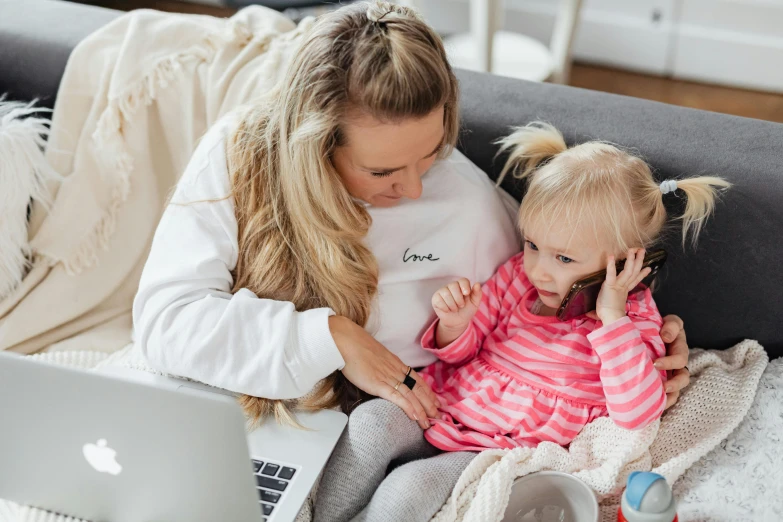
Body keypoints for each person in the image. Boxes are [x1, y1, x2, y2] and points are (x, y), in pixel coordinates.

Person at [131, 1, 691, 519]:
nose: (417, 189)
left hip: (460, 428)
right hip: (244, 408)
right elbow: (166, 323)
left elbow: (544, 312)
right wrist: (335, 336)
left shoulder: (475, 209)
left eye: (431, 153)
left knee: (401, 485)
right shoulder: (241, 159)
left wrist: (639, 340)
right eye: (382, 172)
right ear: (316, 147)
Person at [314, 123, 725, 522]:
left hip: (490, 447)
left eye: (563, 258)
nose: (539, 270)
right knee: (370, 423)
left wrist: (612, 316)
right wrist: (456, 325)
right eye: (532, 245)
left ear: (627, 261)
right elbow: (463, 354)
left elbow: (637, 413)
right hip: (443, 405)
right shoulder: (517, 278)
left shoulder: (631, 324)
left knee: (408, 489)